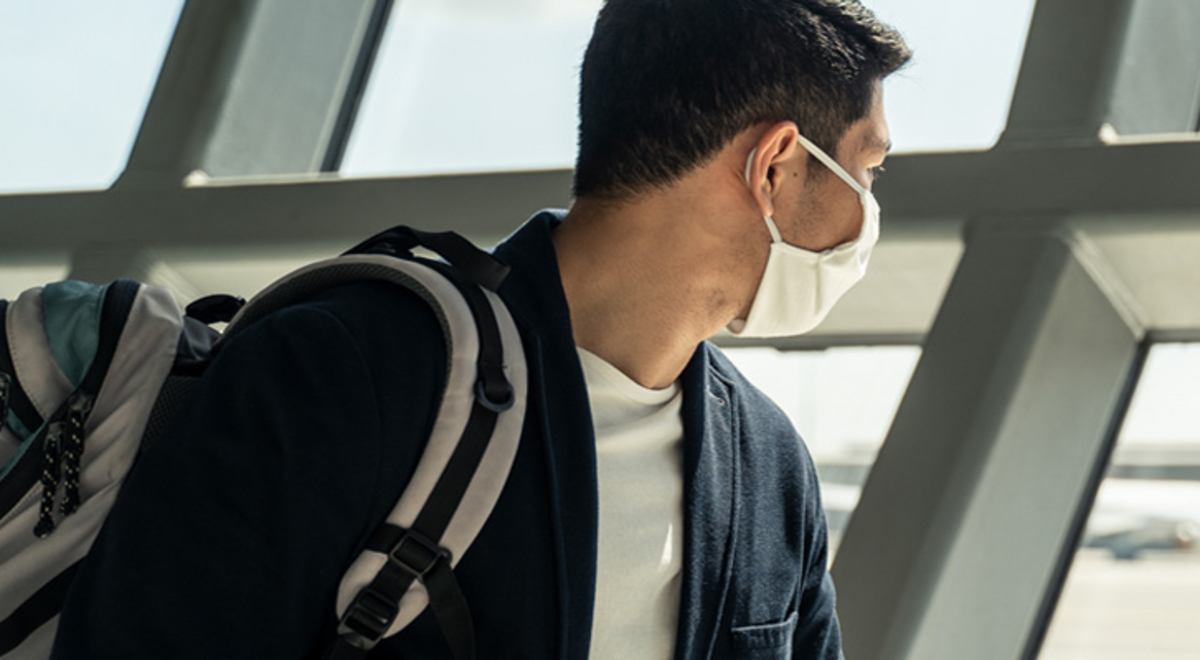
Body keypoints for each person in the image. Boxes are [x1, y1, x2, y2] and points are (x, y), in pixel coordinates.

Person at [53, 0, 910, 658]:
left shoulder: (770, 467)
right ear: (775, 165)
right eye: (867, 170)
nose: (869, 213)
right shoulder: (344, 370)